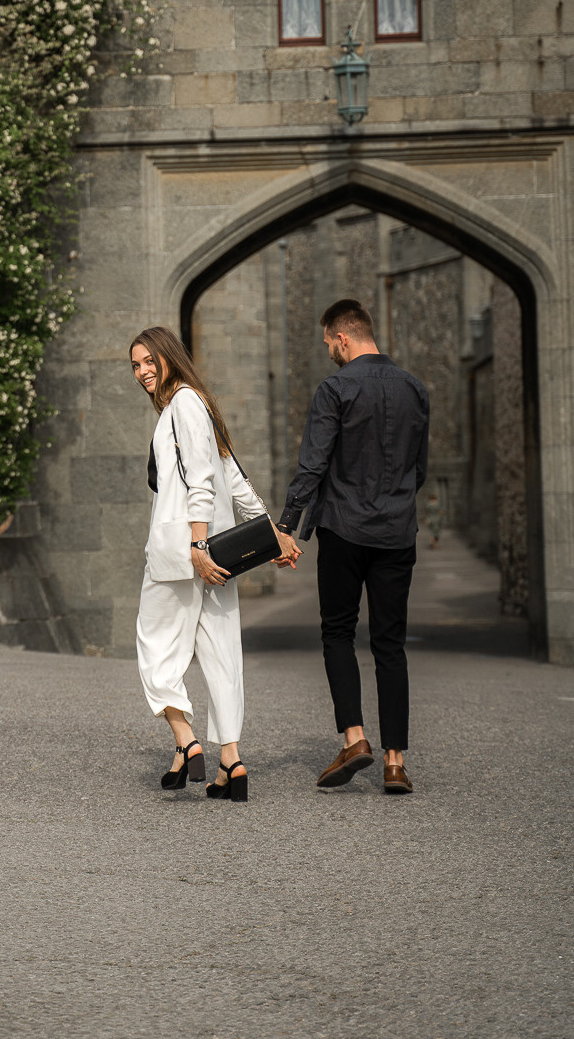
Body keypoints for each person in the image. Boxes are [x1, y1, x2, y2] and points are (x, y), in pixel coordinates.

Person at [130, 326, 301, 803]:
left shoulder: (182, 405)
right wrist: (272, 534)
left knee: (154, 645)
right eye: (136, 365)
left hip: (185, 551)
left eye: (149, 361)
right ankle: (231, 760)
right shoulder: (198, 403)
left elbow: (205, 480)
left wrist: (199, 548)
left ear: (169, 356)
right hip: (213, 552)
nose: (142, 371)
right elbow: (233, 476)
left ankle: (187, 741)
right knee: (222, 653)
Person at [276, 299, 430, 795]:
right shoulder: (415, 388)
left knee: (339, 632)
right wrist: (396, 503)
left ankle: (355, 738)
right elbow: (419, 469)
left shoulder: (335, 388)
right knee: (390, 644)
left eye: (328, 343)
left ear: (342, 337)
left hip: (343, 529)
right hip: (396, 533)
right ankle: (395, 763)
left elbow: (313, 463)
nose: (329, 352)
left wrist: (285, 525)